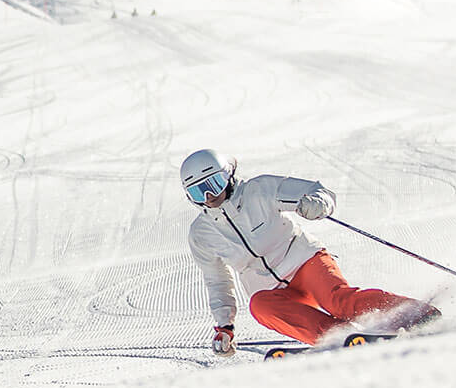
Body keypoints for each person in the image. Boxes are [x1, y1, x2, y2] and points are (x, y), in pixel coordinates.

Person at [179, 148, 436, 357]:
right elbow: (217, 281)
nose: (210, 196)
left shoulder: (260, 190)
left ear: (228, 176)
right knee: (259, 306)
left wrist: (317, 204)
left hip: (304, 262)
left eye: (214, 184)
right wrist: (225, 326)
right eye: (198, 192)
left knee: (338, 301)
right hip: (272, 290)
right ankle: (340, 337)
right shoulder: (201, 234)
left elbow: (318, 191)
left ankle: (414, 313)